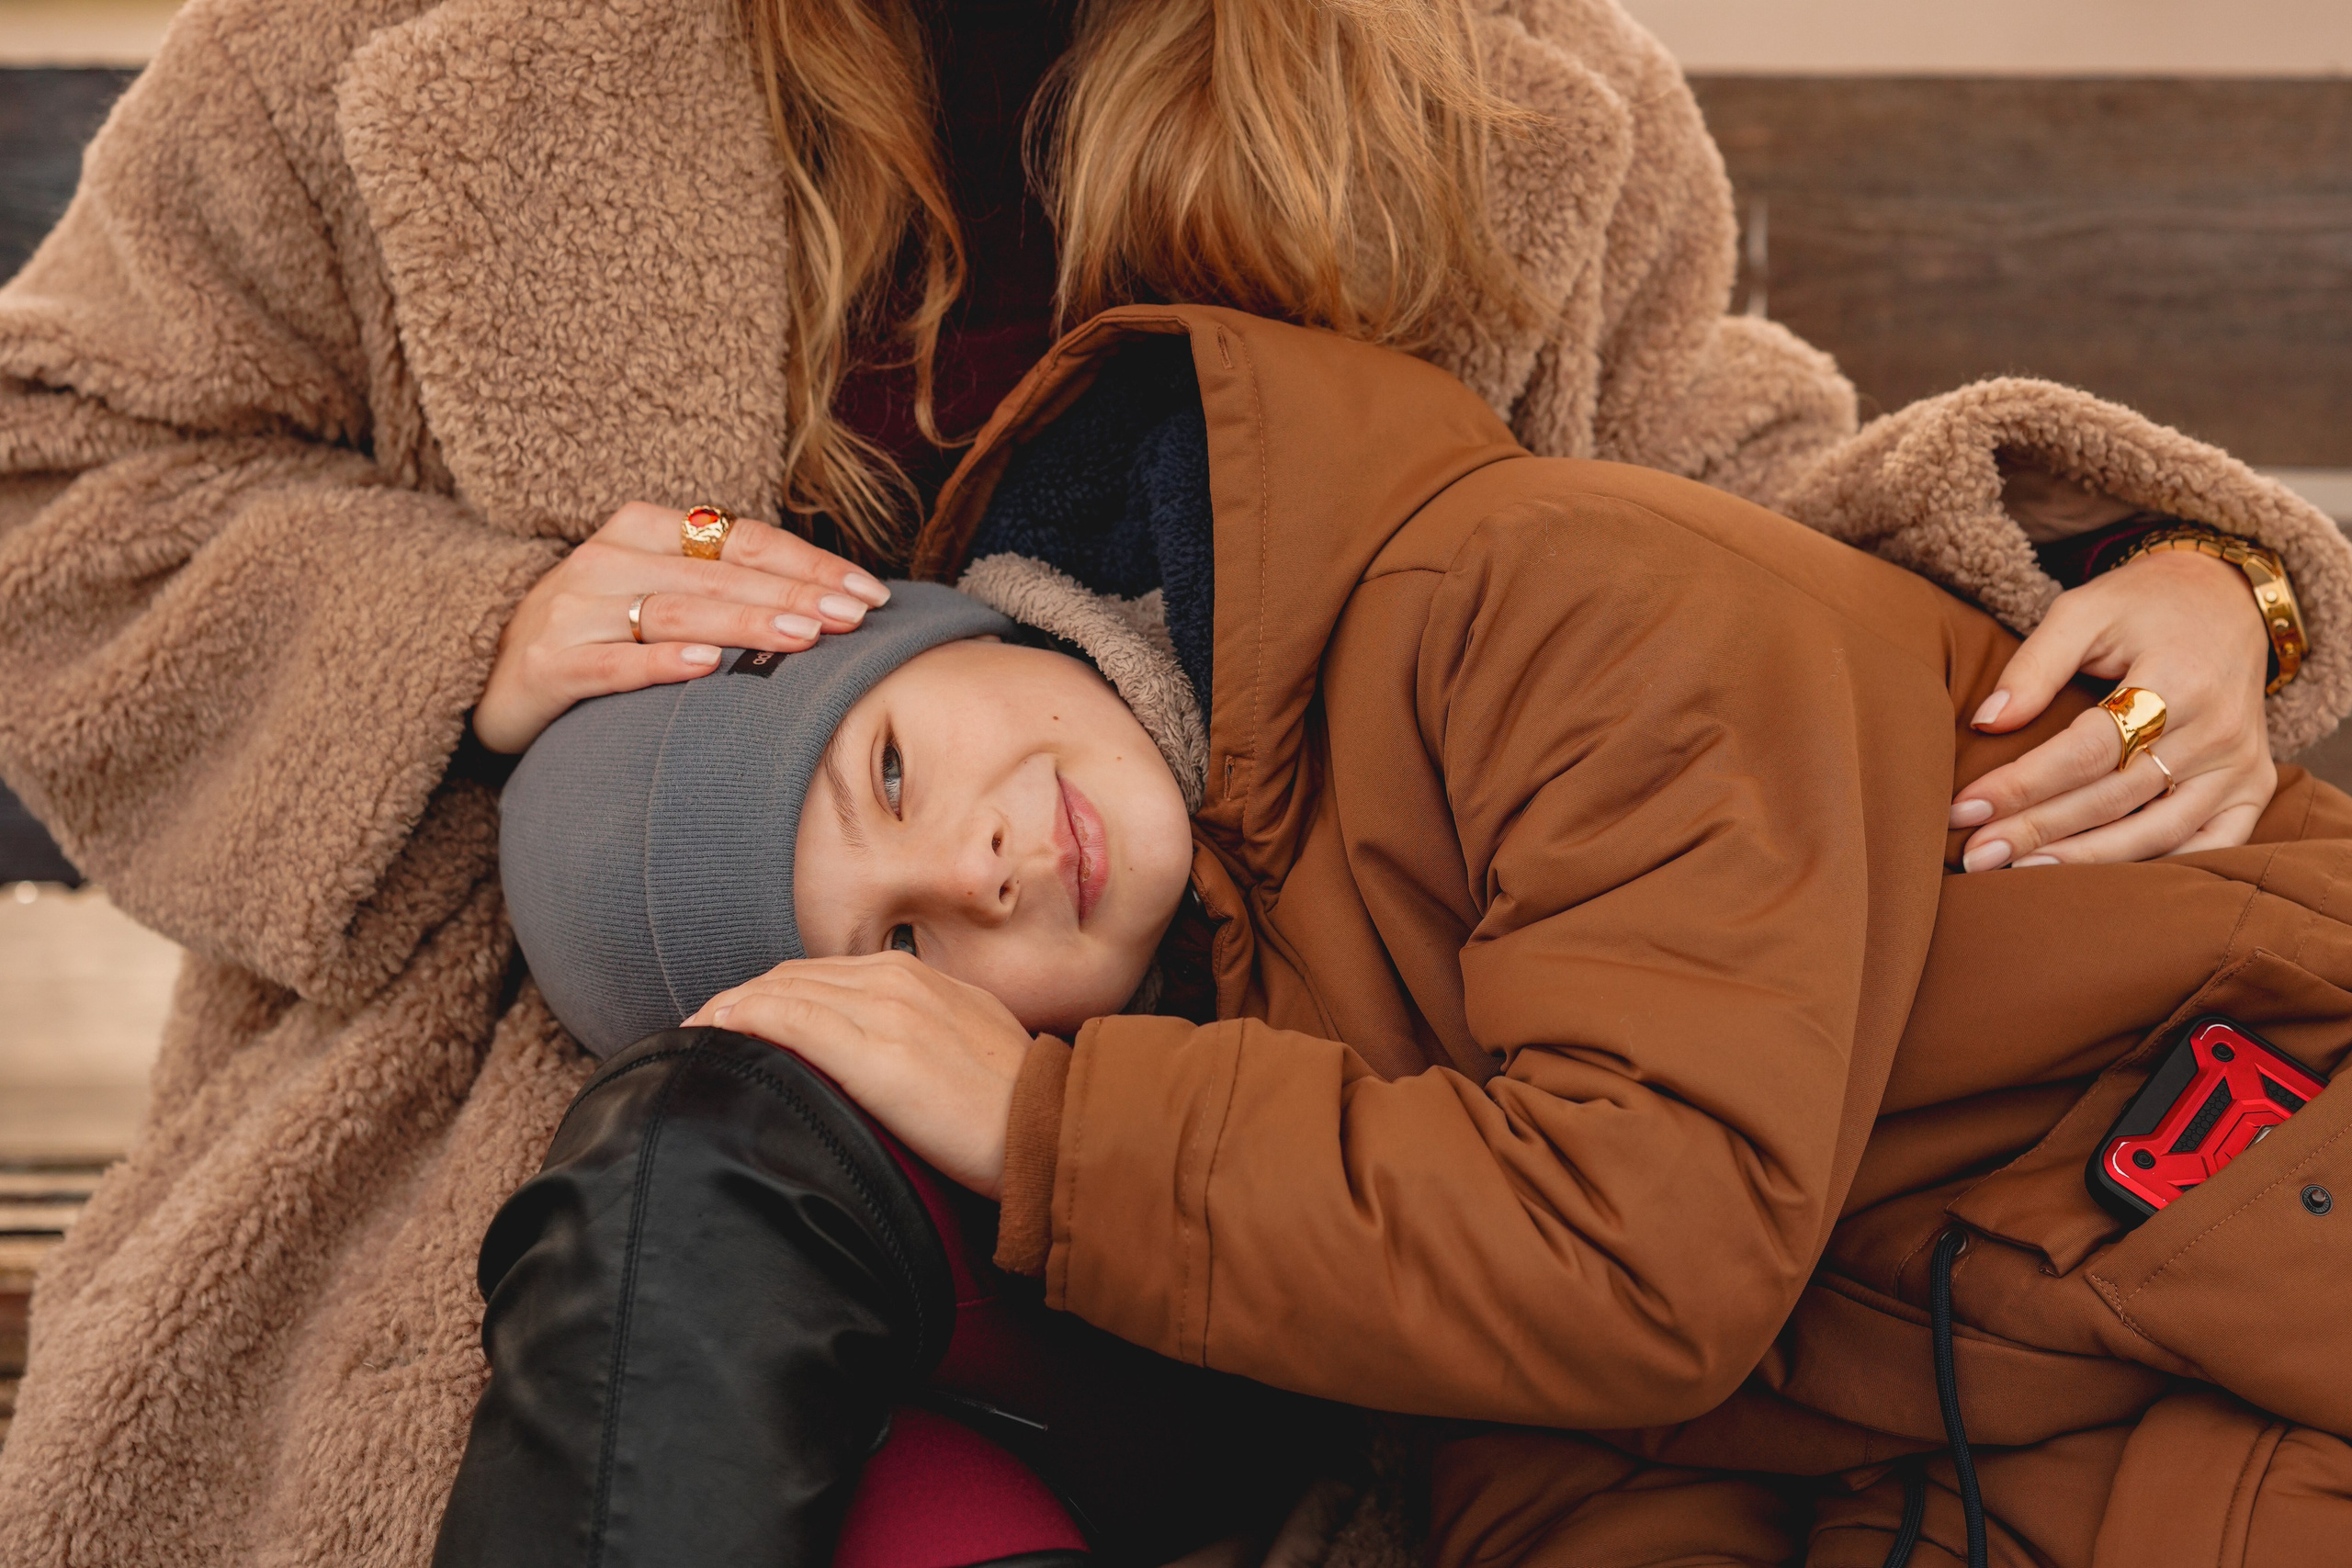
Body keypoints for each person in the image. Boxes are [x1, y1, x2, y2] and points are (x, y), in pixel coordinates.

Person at [0, 0, 2345, 1560]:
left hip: (1403, 1139)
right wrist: (462, 629)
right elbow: (53, 476)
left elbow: (1702, 511)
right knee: (721, 1201)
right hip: (594, 1101)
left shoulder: (1482, 65)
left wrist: (2174, 576)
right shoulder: (386, 46)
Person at [465, 309, 2352, 1567]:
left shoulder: (1531, 605)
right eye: (901, 952)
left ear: (943, 621)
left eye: (887, 761)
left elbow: (1642, 1252)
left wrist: (1061, 1142)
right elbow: (1558, 1459)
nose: (974, 871)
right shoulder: (1286, 1051)